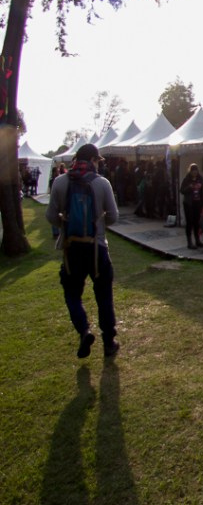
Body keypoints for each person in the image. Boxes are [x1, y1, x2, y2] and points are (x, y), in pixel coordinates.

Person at [45, 144, 121, 358]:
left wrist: (66, 223)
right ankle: (109, 342)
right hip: (97, 247)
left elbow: (50, 215)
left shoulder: (60, 182)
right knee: (104, 295)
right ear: (94, 160)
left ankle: (84, 331)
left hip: (72, 248)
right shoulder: (102, 183)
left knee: (72, 294)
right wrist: (98, 223)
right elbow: (114, 217)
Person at [179, 163, 203, 249]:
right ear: (190, 171)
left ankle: (197, 240)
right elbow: (182, 190)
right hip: (189, 203)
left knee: (196, 222)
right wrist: (189, 187)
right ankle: (189, 242)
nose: (194, 172)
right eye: (193, 171)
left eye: (196, 171)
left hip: (197, 203)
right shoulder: (186, 179)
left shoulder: (201, 179)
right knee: (189, 222)